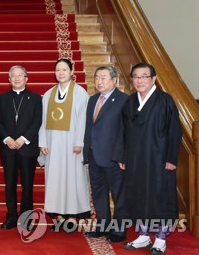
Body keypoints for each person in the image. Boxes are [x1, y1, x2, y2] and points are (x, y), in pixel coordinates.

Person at [115, 63, 181, 254]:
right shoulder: (129, 102)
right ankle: (143, 235)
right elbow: (122, 132)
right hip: (135, 160)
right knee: (138, 196)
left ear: (153, 79)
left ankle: (160, 239)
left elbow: (174, 131)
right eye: (136, 77)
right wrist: (122, 156)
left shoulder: (165, 100)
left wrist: (171, 158)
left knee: (160, 198)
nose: (139, 80)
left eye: (144, 76)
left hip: (159, 160)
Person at [38, 58, 90, 230]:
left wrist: (79, 142)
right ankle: (59, 215)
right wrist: (43, 142)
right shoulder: (48, 94)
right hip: (53, 146)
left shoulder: (80, 93)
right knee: (56, 179)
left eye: (64, 70)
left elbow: (83, 119)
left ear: (71, 71)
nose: (61, 73)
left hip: (72, 145)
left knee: (73, 179)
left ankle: (73, 216)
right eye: (58, 70)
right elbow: (43, 121)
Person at [83, 66, 128, 242]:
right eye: (97, 78)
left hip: (114, 157)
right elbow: (90, 128)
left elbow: (126, 132)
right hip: (94, 155)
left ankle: (118, 230)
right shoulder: (93, 100)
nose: (99, 81)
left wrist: (121, 156)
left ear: (114, 80)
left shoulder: (124, 100)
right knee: (99, 192)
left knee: (119, 194)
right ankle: (102, 226)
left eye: (104, 78)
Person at [0, 65, 42, 230]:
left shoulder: (36, 98)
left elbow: (37, 121)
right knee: (9, 184)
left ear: (26, 78)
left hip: (27, 149)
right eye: (13, 76)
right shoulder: (1, 99)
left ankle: (26, 219)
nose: (16, 79)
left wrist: (23, 139)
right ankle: (11, 217)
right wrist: (8, 138)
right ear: (9, 80)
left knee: (27, 185)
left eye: (20, 76)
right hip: (8, 148)